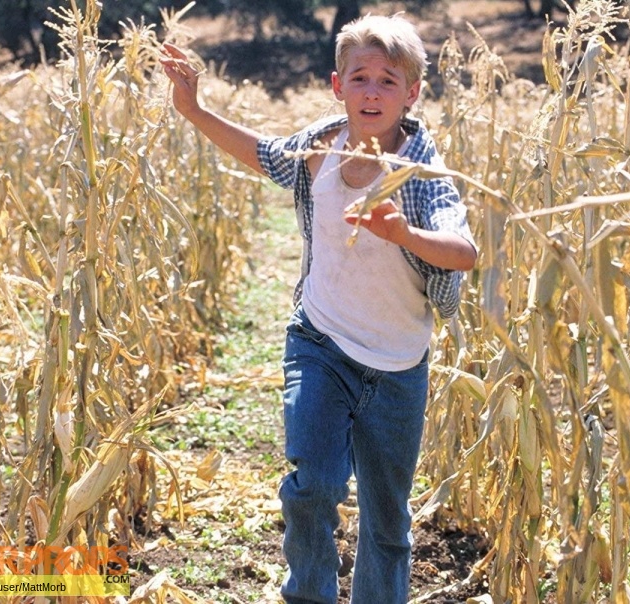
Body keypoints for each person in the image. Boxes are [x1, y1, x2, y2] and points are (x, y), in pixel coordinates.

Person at [161, 13, 477, 604]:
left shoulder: (422, 171)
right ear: (339, 86)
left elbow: (463, 252)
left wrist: (403, 232)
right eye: (360, 77)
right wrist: (193, 110)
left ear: (411, 93)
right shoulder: (319, 148)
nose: (373, 91)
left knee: (388, 522)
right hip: (320, 341)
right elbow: (264, 154)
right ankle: (309, 594)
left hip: (397, 364)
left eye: (389, 80)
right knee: (312, 488)